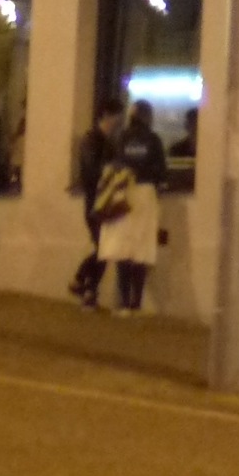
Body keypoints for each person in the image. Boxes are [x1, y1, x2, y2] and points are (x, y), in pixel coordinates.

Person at [110, 98, 167, 315]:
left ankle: (124, 302)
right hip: (146, 194)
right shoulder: (153, 139)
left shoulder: (121, 138)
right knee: (141, 247)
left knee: (124, 247)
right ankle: (136, 302)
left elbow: (114, 165)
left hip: (124, 192)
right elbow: (161, 172)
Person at [70, 94, 127, 309]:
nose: (120, 122)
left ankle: (88, 290)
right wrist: (112, 172)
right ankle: (82, 281)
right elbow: (92, 170)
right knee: (104, 247)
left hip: (102, 201)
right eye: (117, 116)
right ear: (106, 115)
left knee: (104, 248)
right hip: (96, 202)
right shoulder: (92, 140)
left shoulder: (105, 142)